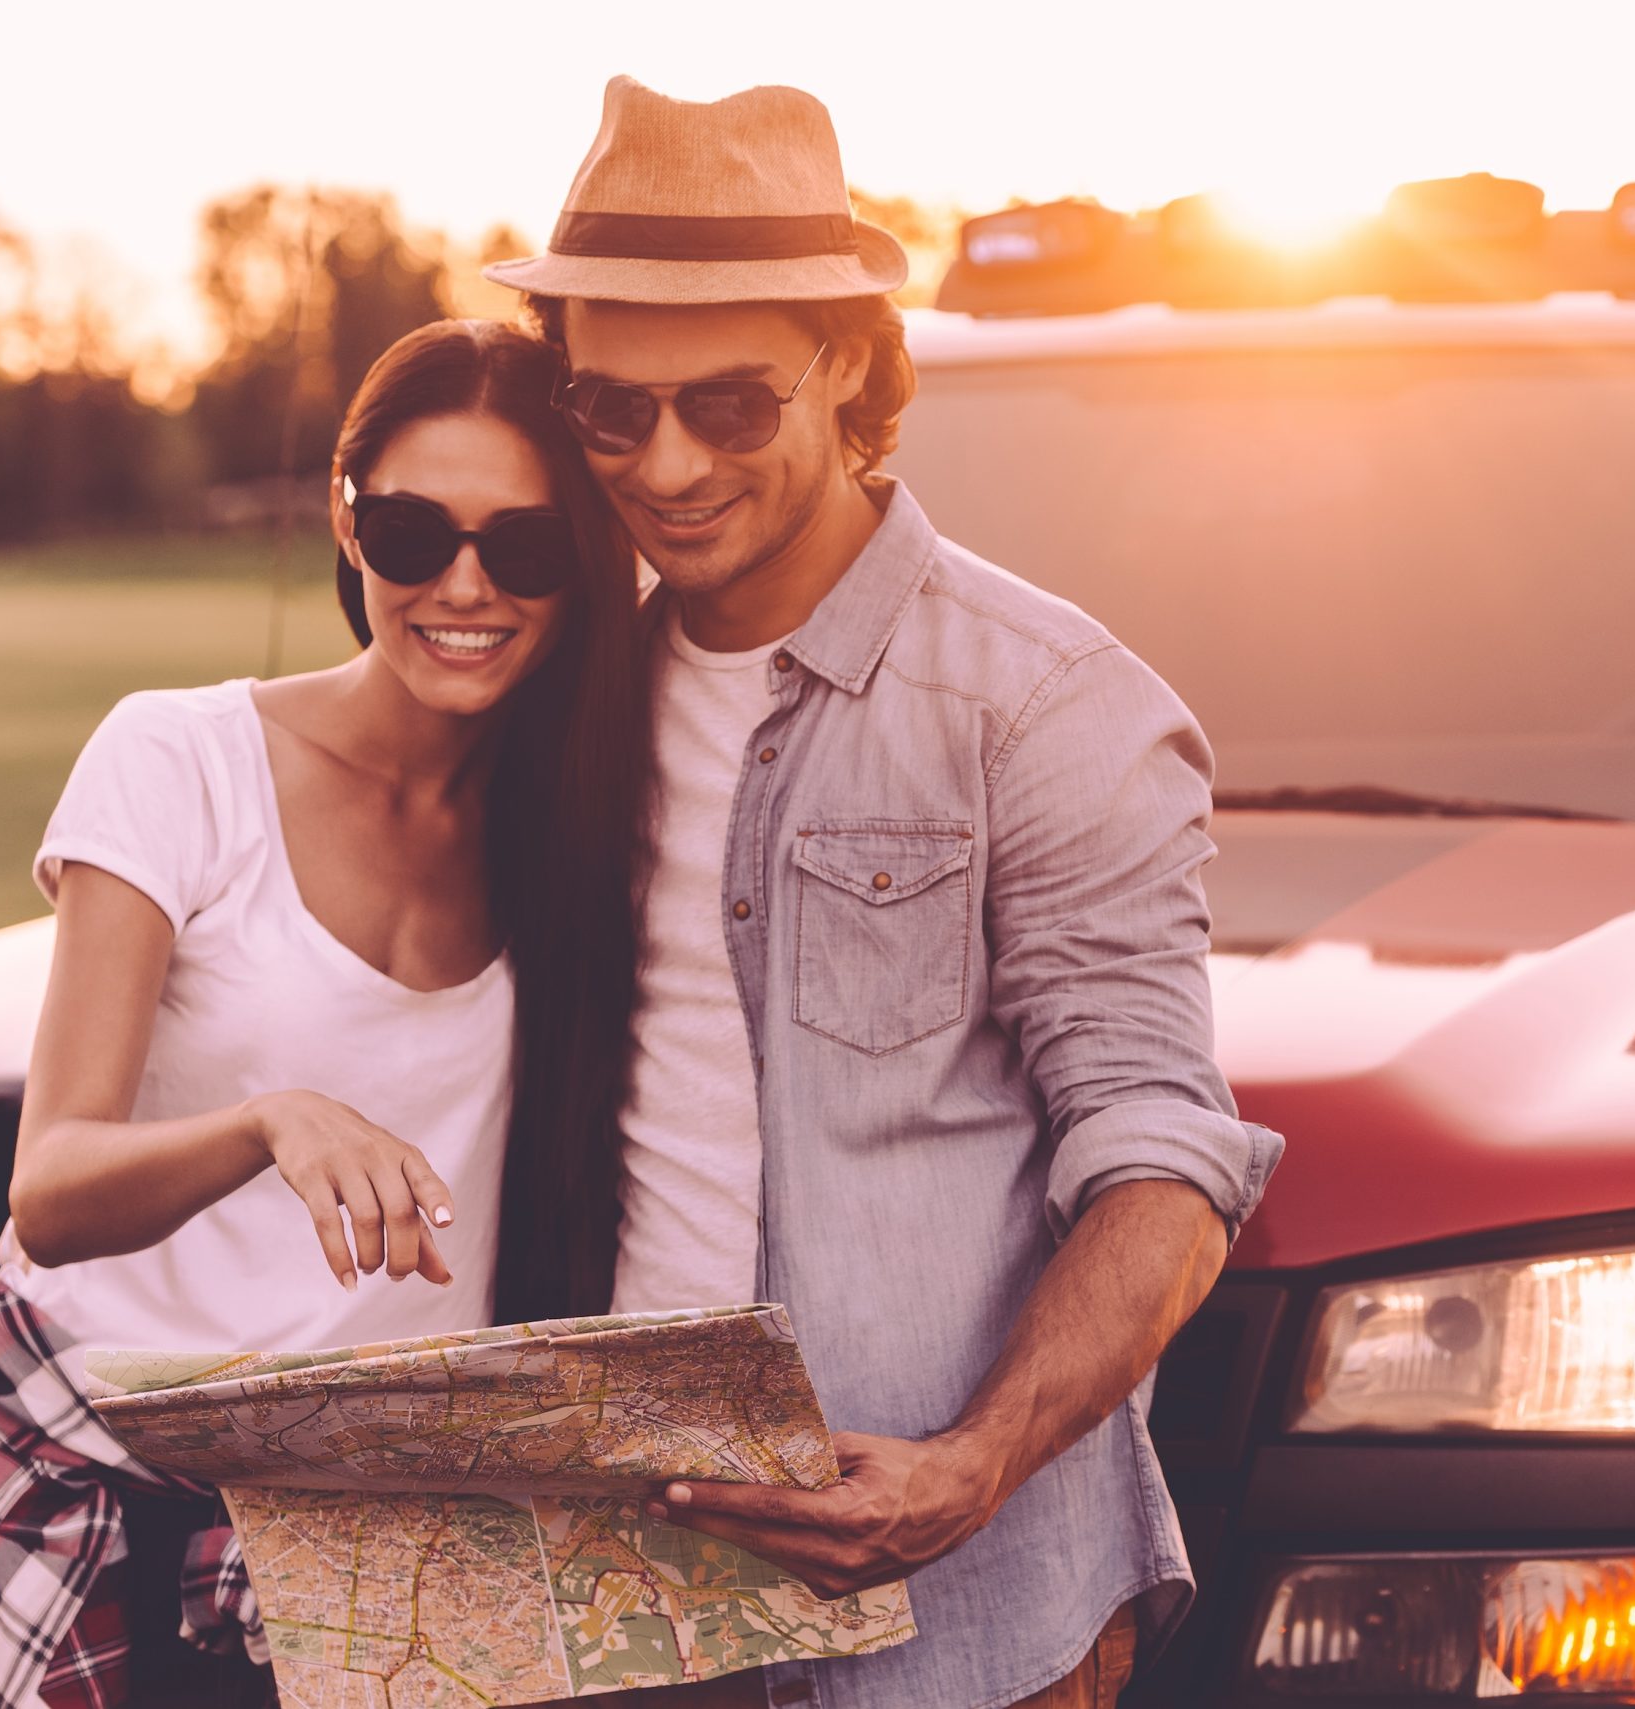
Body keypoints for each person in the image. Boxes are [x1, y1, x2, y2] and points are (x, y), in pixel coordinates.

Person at [483, 76, 1284, 1709]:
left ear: (845, 360)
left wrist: (972, 1462)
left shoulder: (1045, 702)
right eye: (610, 414)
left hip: (958, 1629)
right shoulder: (569, 704)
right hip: (620, 1598)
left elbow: (1165, 1155)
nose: (667, 462)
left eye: (727, 401)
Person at [0, 319, 645, 1709]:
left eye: (523, 547)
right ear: (347, 527)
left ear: (582, 568)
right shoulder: (179, 754)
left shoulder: (591, 820)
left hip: (380, 1515)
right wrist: (266, 1121)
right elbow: (48, 1190)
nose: (464, 585)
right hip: (93, 1463)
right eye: (414, 532)